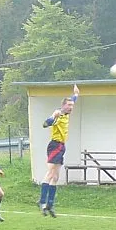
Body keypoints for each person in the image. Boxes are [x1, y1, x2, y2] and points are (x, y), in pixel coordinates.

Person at [39, 84, 80, 217]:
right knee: (50, 174)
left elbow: (73, 99)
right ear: (63, 106)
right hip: (55, 146)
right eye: (69, 105)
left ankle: (50, 205)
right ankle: (42, 201)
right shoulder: (59, 114)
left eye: (72, 105)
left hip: (62, 146)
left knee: (56, 177)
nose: (71, 107)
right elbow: (45, 124)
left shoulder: (67, 112)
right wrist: (52, 117)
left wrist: (76, 94)